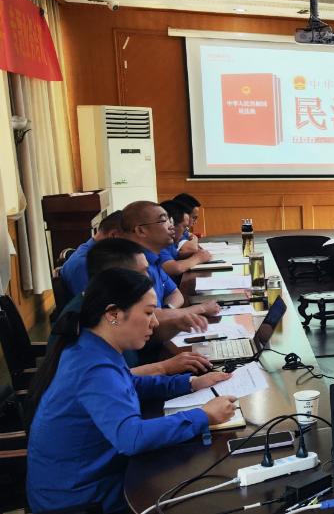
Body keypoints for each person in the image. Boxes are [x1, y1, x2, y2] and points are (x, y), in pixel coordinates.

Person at [25, 267, 237, 514]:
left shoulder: (92, 346)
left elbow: (129, 383)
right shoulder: (93, 367)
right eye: (148, 312)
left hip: (87, 484)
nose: (155, 322)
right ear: (113, 314)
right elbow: (132, 438)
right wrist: (203, 416)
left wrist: (190, 383)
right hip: (80, 502)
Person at [53, 238, 215, 377]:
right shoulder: (88, 321)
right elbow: (112, 380)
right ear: (116, 275)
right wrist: (164, 368)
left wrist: (175, 324)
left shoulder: (113, 302)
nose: (148, 277)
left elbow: (142, 347)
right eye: (142, 272)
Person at [122, 201, 216, 332]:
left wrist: (167, 311)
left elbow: (176, 294)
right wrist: (201, 308)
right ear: (141, 230)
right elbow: (154, 317)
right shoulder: (134, 265)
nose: (171, 226)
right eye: (163, 221)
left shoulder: (153, 258)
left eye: (169, 220)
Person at [60, 211, 124, 300]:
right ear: (114, 236)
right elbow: (93, 305)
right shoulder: (84, 263)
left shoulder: (92, 253)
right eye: (130, 242)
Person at [158, 199, 212, 277]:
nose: (185, 232)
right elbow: (172, 268)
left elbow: (175, 256)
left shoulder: (170, 243)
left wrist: (194, 254)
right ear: (171, 225)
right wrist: (197, 258)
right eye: (185, 227)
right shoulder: (159, 244)